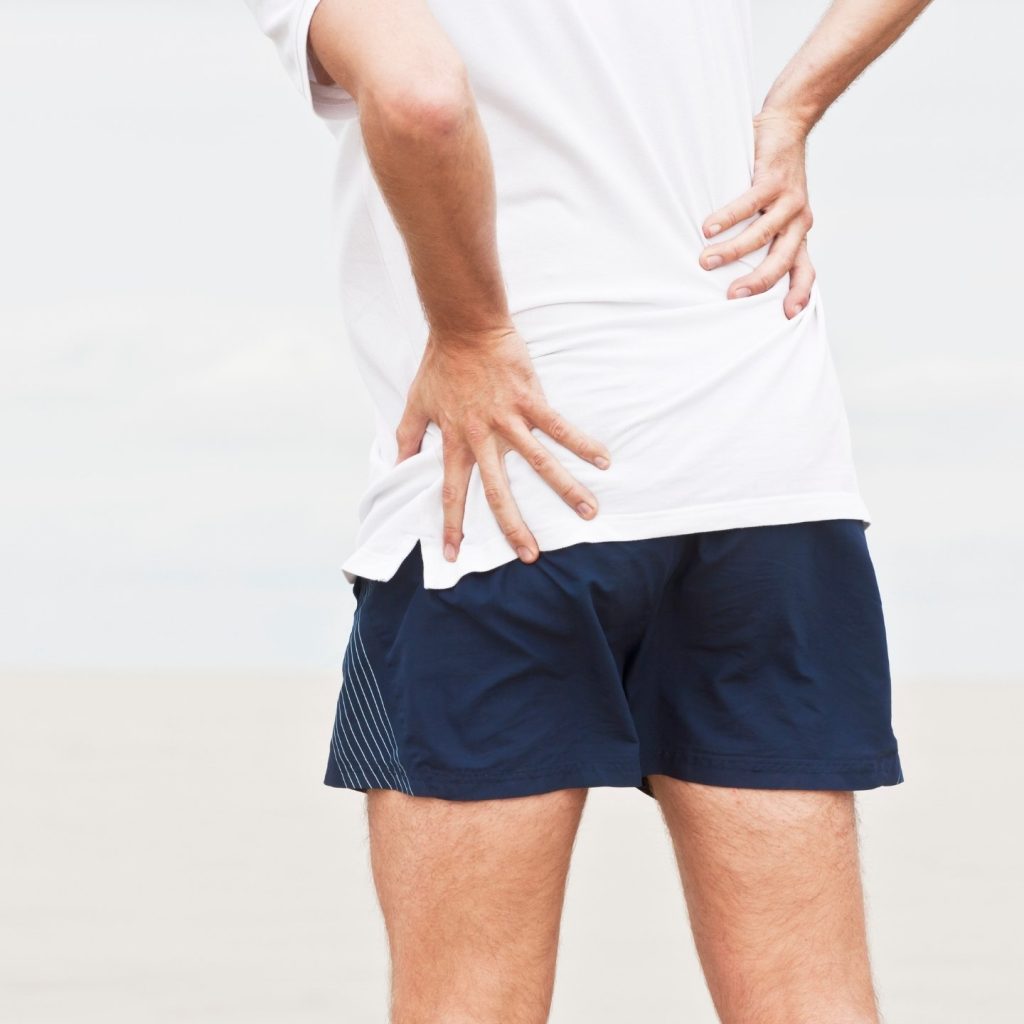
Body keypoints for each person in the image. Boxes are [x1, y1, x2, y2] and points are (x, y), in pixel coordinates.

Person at [243, 1, 930, 1020]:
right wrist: (790, 109)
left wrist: (470, 331)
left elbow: (420, 98)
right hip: (763, 467)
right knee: (807, 998)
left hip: (504, 492)